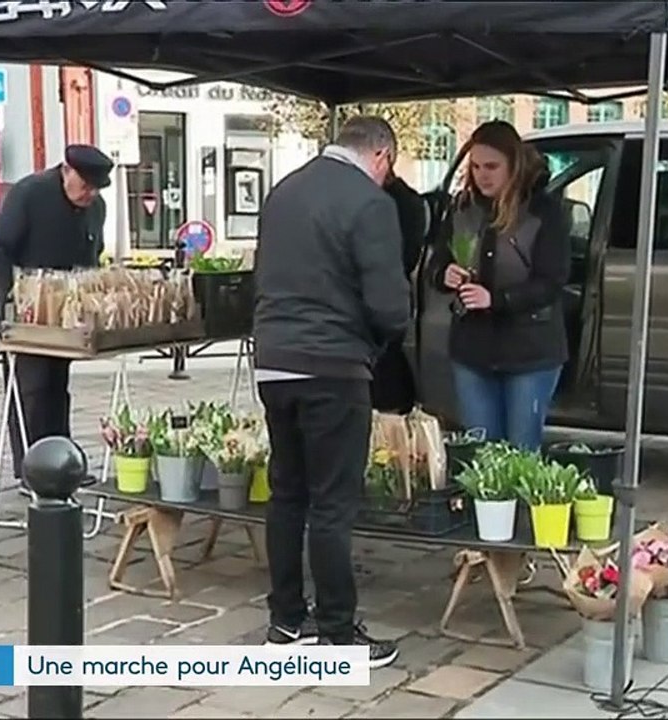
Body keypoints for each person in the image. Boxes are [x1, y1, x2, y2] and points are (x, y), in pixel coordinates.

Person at [252, 116, 411, 666]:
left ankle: (285, 621)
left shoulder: (283, 191)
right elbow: (390, 305)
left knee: (286, 493)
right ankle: (338, 634)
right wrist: (379, 344)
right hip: (333, 364)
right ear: (383, 155)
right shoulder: (370, 204)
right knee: (332, 503)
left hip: (273, 361)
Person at [427, 121, 570, 450]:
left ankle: (519, 504)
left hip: (530, 351)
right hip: (473, 350)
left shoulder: (542, 211)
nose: (482, 175)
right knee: (483, 452)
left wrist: (497, 299)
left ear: (513, 164)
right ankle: (487, 504)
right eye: (475, 166)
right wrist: (442, 273)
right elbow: (438, 259)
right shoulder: (463, 209)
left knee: (521, 451)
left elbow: (552, 281)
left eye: (492, 166)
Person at [0, 144, 113, 492]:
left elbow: (93, 255)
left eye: (96, 188)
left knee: (58, 389)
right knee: (33, 388)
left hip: (66, 313)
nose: (90, 194)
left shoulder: (95, 207)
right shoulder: (30, 192)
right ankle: (33, 469)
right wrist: (10, 293)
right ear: (66, 171)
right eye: (85, 185)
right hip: (25, 310)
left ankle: (60, 464)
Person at [371, 168, 429, 414]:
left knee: (385, 364)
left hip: (383, 295)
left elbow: (404, 256)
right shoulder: (407, 201)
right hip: (391, 293)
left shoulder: (396, 203)